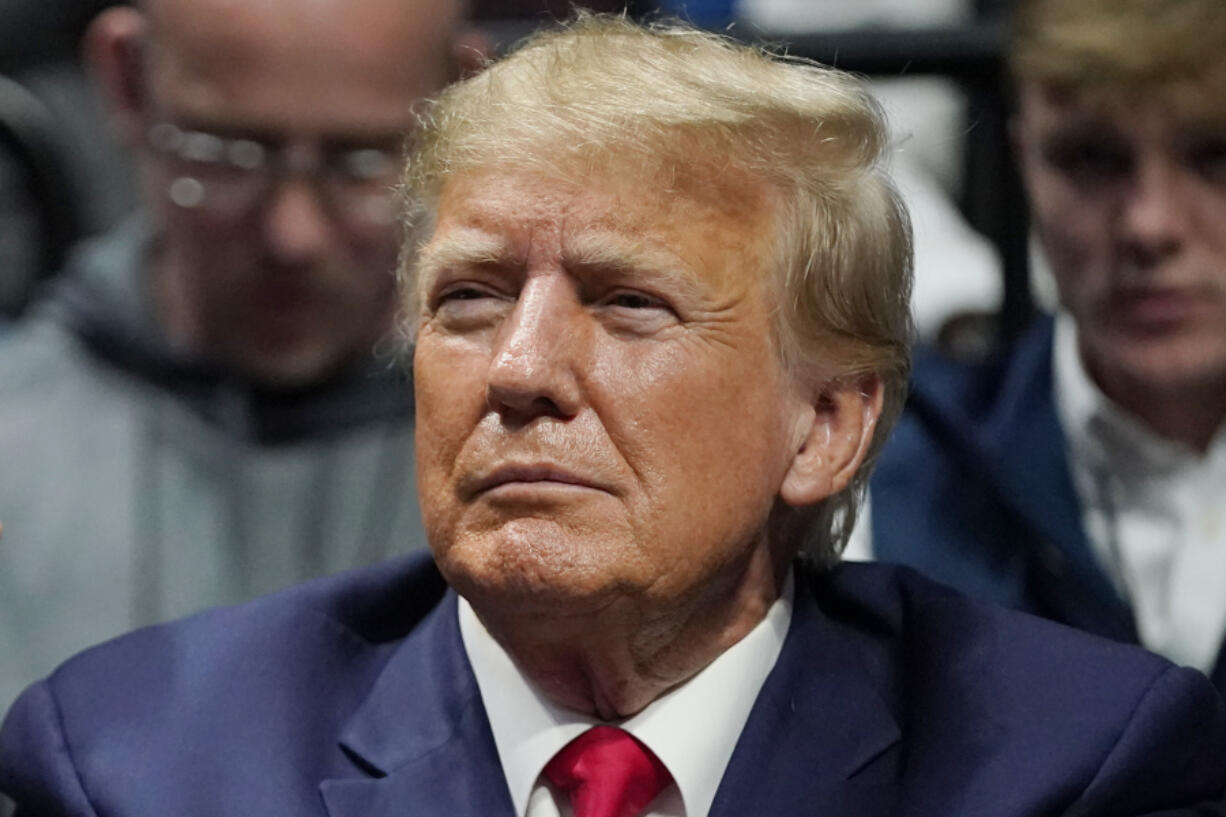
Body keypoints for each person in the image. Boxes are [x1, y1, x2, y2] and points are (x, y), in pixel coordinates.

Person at [3, 14, 1225, 817]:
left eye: (630, 303)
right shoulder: (137, 765)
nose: (520, 369)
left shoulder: (1069, 769)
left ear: (826, 427)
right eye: (470, 298)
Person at [0, 0, 485, 710]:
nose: (294, 236)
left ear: (463, 105)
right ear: (126, 78)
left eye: (360, 162)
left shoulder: (531, 454)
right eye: (227, 154)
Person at [857, 0, 1226, 690]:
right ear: (1026, 158)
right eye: (1091, 157)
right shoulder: (888, 475)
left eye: (1216, 155)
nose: (1150, 224)